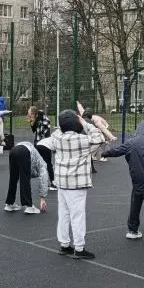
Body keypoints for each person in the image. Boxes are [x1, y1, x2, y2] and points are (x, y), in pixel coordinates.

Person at [40, 110, 105, 258]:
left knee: (63, 214)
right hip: (76, 185)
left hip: (61, 183)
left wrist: (65, 124)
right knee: (77, 216)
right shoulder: (83, 140)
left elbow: (58, 131)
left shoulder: (57, 138)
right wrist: (85, 123)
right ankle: (79, 248)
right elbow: (100, 137)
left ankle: (64, 245)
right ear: (76, 124)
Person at [4, 139, 49, 215]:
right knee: (24, 180)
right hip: (24, 151)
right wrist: (43, 199)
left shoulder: (34, 160)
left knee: (13, 178)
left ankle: (9, 204)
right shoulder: (43, 165)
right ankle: (29, 206)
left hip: (13, 150)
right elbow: (44, 180)